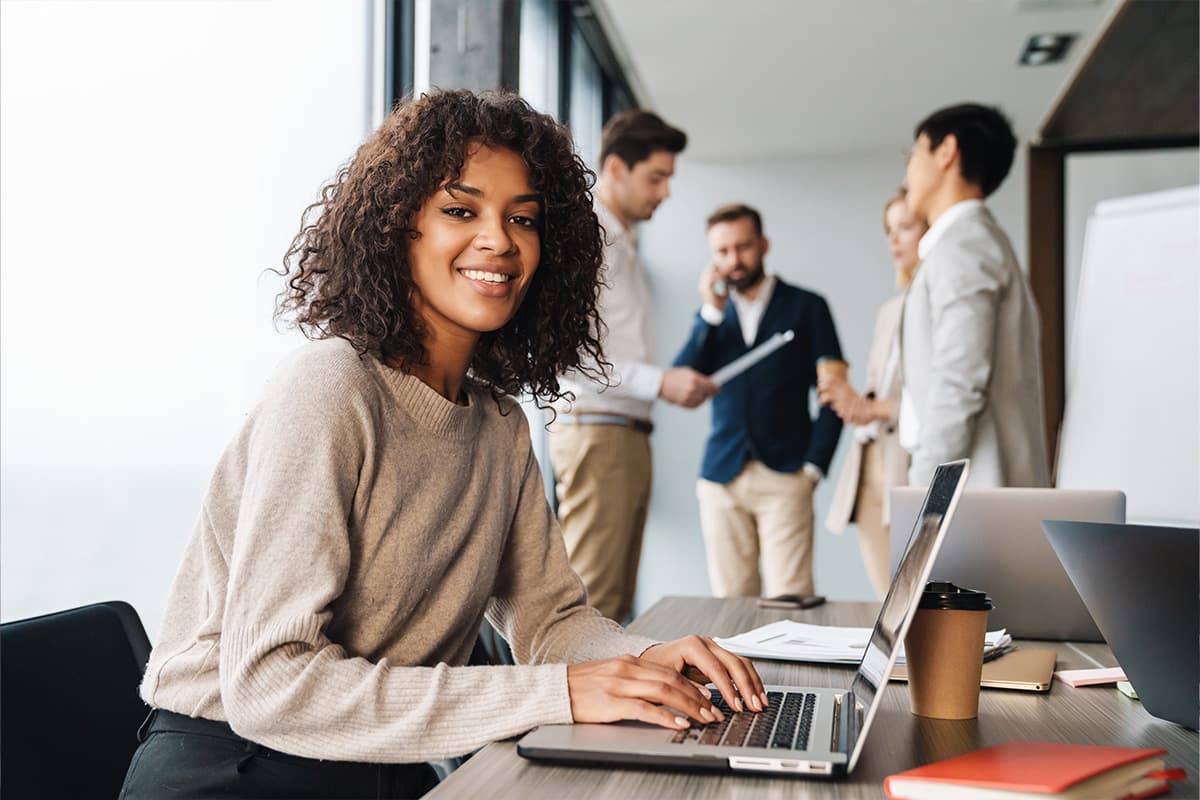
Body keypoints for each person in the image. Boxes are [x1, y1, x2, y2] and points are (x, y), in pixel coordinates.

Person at [120, 90, 766, 800]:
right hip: (237, 769)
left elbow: (550, 620)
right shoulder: (332, 387)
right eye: (462, 211)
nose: (500, 240)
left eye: (523, 218)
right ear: (400, 228)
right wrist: (558, 695)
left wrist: (646, 659)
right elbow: (270, 683)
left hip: (385, 764)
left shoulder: (498, 424)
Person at [550, 110, 717, 624]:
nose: (666, 192)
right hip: (601, 432)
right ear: (617, 169)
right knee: (593, 604)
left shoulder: (622, 240)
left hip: (622, 433)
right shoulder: (592, 238)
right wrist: (660, 381)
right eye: (657, 177)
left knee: (613, 605)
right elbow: (569, 355)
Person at [673, 203, 843, 600]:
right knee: (731, 603)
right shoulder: (713, 317)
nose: (734, 260)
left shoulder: (807, 306)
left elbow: (835, 393)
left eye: (744, 246)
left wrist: (814, 467)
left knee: (791, 600)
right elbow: (681, 381)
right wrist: (709, 314)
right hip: (721, 476)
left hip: (786, 474)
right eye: (722, 251)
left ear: (764, 244)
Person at [898, 103, 1050, 488]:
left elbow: (959, 378)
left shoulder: (964, 246)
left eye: (913, 154)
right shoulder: (973, 242)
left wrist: (924, 483)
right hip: (977, 486)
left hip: (972, 490)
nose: (907, 172)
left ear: (946, 151)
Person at [820, 190, 927, 598]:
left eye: (905, 227)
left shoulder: (937, 306)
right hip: (868, 468)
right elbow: (879, 392)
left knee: (916, 599)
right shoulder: (890, 310)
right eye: (888, 231)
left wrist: (872, 407)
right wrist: (850, 400)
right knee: (887, 599)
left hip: (908, 465)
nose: (893, 240)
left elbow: (939, 400)